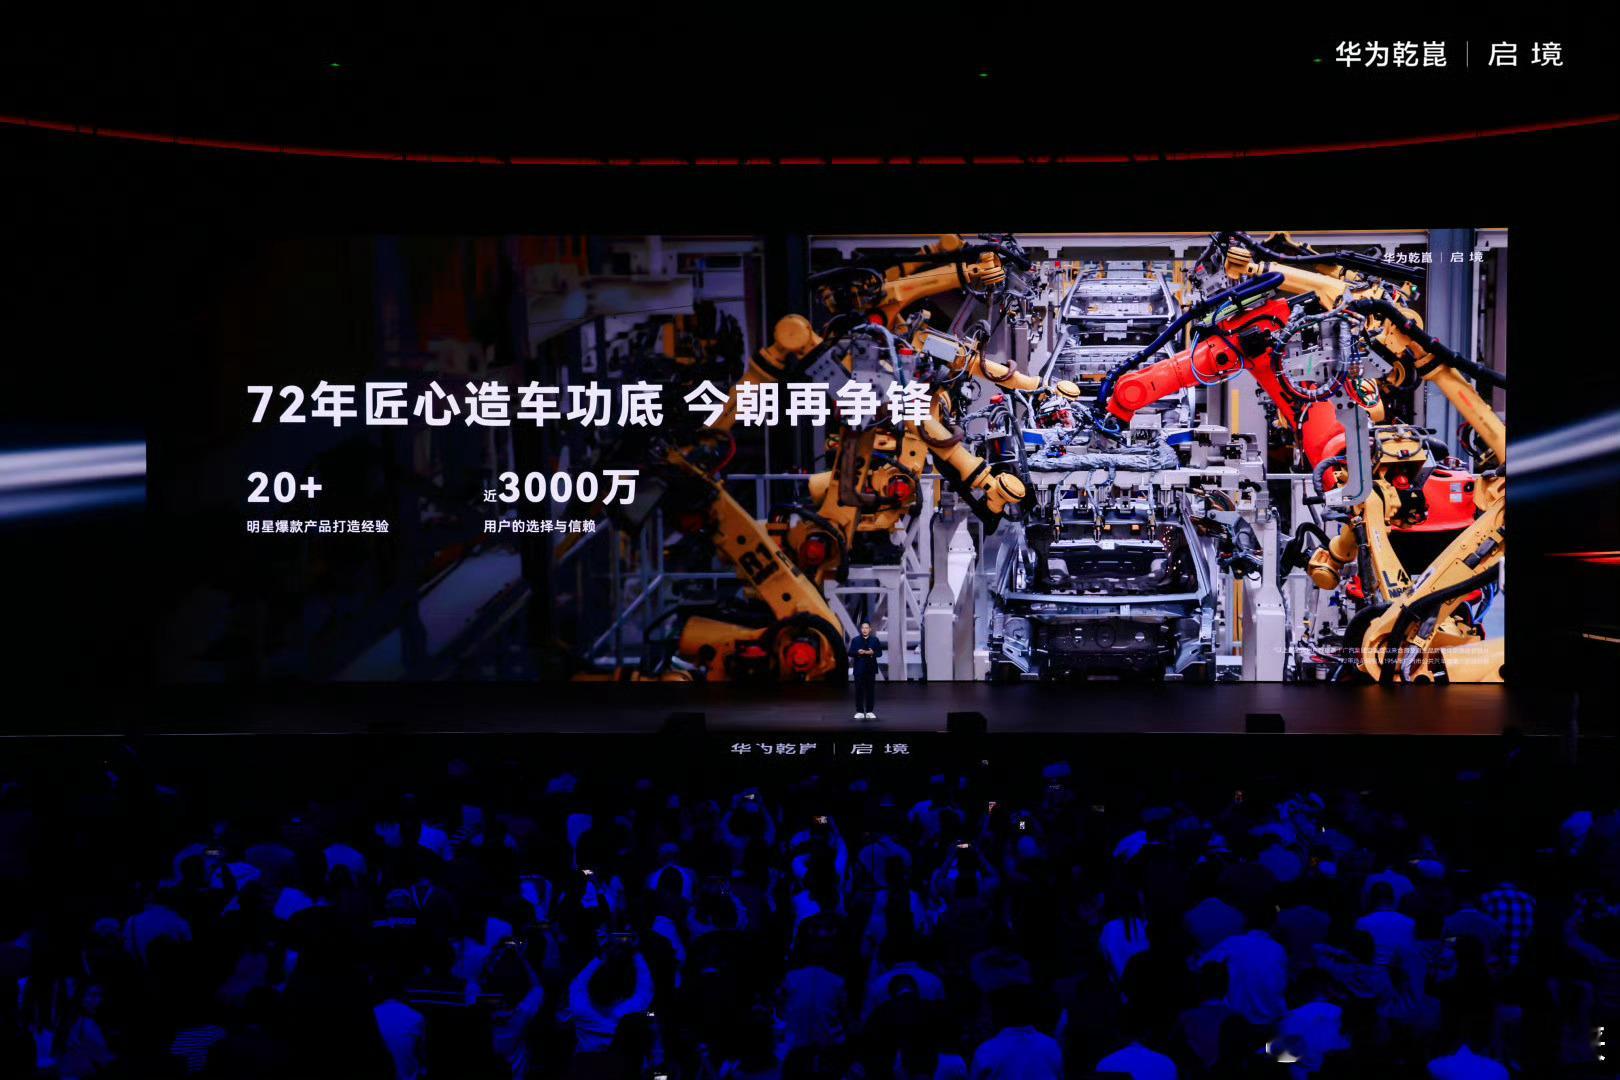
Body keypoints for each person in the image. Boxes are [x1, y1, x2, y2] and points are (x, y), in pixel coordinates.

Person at [849, 621, 884, 720]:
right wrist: (858, 652)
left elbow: (879, 653)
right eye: (863, 628)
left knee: (870, 691)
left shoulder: (874, 640)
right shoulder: (855, 640)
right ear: (861, 629)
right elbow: (850, 652)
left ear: (870, 629)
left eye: (866, 628)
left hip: (870, 669)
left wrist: (872, 653)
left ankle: (869, 711)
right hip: (859, 669)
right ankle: (859, 711)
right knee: (859, 691)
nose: (864, 630)